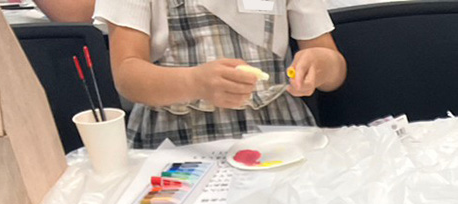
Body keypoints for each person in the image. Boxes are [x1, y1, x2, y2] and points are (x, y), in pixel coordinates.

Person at [96, 0, 347, 148]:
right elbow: (127, 75)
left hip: (278, 134)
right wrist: (193, 83)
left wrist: (321, 64)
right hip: (175, 139)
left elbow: (335, 70)